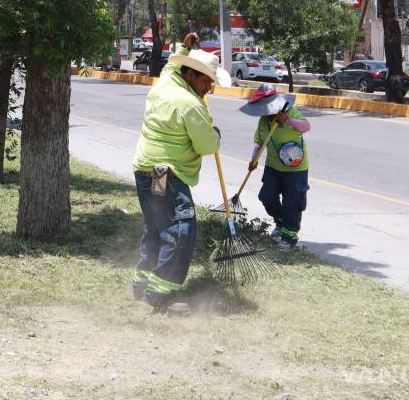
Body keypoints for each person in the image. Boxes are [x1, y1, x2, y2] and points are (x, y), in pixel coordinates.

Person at [131, 48, 231, 313]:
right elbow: (207, 145)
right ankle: (161, 294)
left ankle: (141, 284)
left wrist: (184, 48)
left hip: (148, 170)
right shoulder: (190, 104)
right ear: (189, 73)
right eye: (206, 81)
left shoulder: (164, 83)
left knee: (157, 226)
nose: (209, 88)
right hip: (169, 174)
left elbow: (168, 67)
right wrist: (215, 134)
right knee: (180, 232)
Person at [240, 85, 312, 248]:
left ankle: (289, 235)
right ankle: (280, 221)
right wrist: (254, 159)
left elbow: (306, 127)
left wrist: (287, 120)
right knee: (266, 196)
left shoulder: (290, 112)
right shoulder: (264, 120)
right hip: (273, 166)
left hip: (295, 168)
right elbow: (259, 142)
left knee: (292, 202)